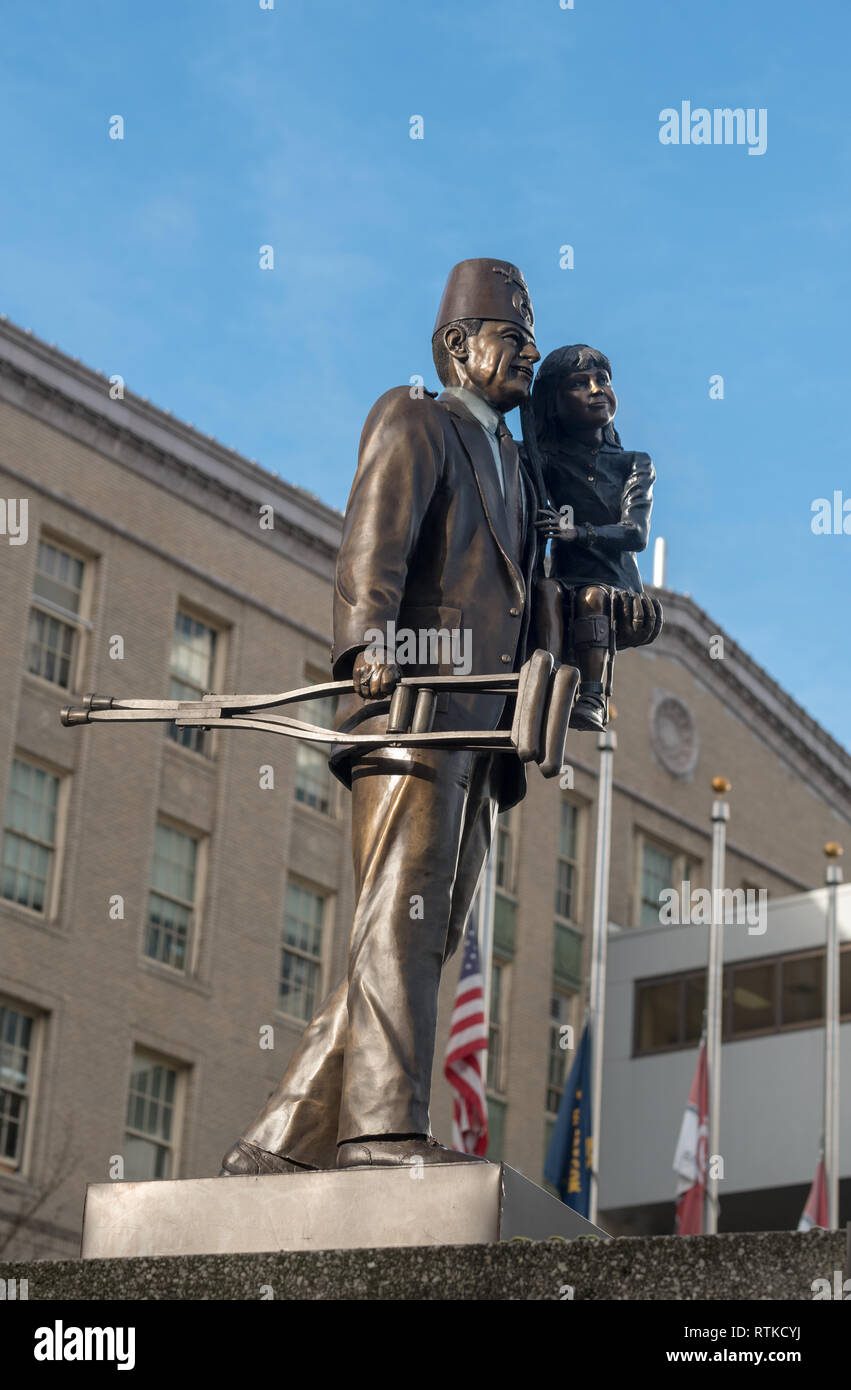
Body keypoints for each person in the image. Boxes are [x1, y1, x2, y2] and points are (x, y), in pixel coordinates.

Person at [220, 259, 543, 1174]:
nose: (527, 356)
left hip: (481, 732)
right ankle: (378, 1134)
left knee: (418, 934)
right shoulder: (414, 418)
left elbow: (524, 596)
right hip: (413, 706)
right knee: (400, 926)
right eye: (511, 340)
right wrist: (368, 646)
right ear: (456, 346)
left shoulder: (517, 467)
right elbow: (375, 538)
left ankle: (279, 1146)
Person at [531, 344, 662, 731]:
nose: (596, 389)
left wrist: (577, 532)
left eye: (602, 380)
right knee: (546, 592)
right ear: (554, 402)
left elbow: (635, 534)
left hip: (615, 587)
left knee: (592, 598)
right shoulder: (545, 458)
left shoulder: (634, 464)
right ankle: (548, 684)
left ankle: (592, 696)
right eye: (579, 383)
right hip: (566, 578)